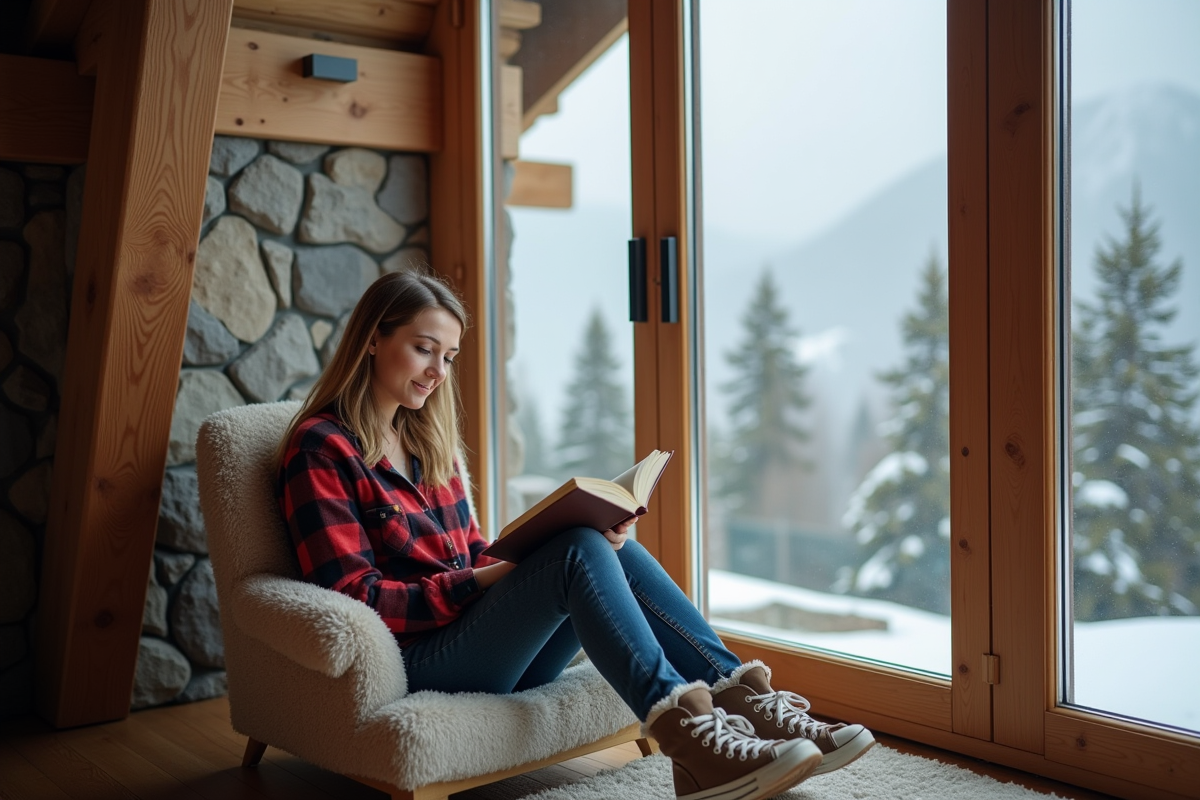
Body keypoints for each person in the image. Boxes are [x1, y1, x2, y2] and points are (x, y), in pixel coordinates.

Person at [276, 270, 875, 800]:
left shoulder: (426, 442)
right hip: (423, 659)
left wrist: (529, 550)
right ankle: (691, 741)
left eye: (450, 357)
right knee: (577, 552)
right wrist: (487, 579)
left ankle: (747, 704)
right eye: (423, 349)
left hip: (488, 645)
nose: (438, 372)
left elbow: (469, 555)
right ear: (373, 339)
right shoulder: (321, 448)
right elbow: (356, 598)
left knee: (609, 546)